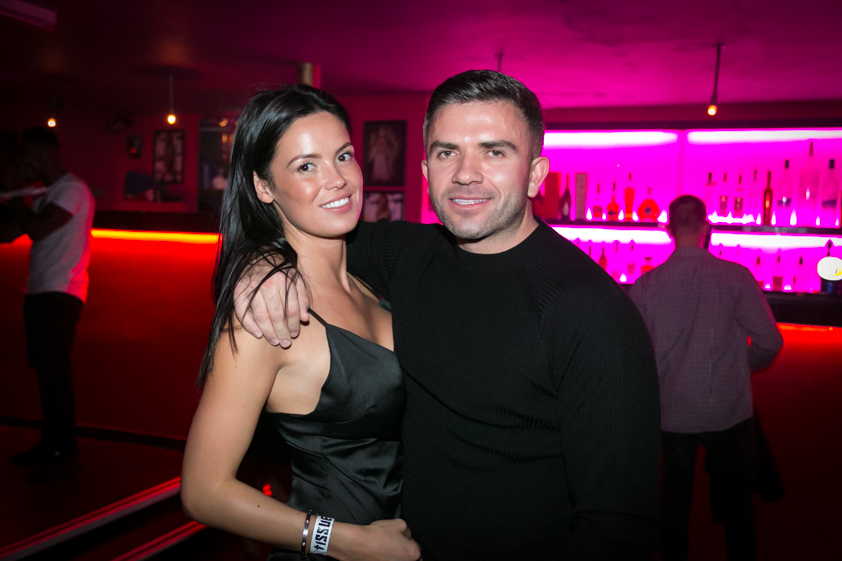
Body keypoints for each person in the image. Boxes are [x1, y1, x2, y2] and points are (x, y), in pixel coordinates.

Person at [235, 70, 661, 559]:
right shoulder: (408, 254)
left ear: (536, 174)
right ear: (425, 170)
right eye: (447, 152)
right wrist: (260, 261)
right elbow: (302, 231)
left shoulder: (594, 313)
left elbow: (617, 527)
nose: (465, 174)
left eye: (494, 152)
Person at [179, 86, 421, 561]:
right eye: (306, 166)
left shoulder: (372, 286)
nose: (338, 179)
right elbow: (203, 491)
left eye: (343, 156)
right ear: (264, 187)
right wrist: (344, 541)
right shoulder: (266, 315)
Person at [628, 195, 783, 561]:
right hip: (726, 408)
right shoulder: (736, 278)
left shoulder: (646, 285)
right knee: (738, 506)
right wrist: (739, 363)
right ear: (706, 226)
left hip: (673, 410)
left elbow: (634, 355)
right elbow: (770, 342)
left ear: (667, 229)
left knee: (674, 504)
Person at [2, 127, 95, 483]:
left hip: (60, 293)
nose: (22, 163)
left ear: (43, 156)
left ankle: (62, 448)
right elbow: (9, 233)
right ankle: (53, 444)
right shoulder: (45, 193)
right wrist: (14, 195)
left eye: (25, 156)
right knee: (47, 373)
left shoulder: (72, 190)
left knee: (54, 373)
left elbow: (39, 229)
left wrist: (14, 195)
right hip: (42, 292)